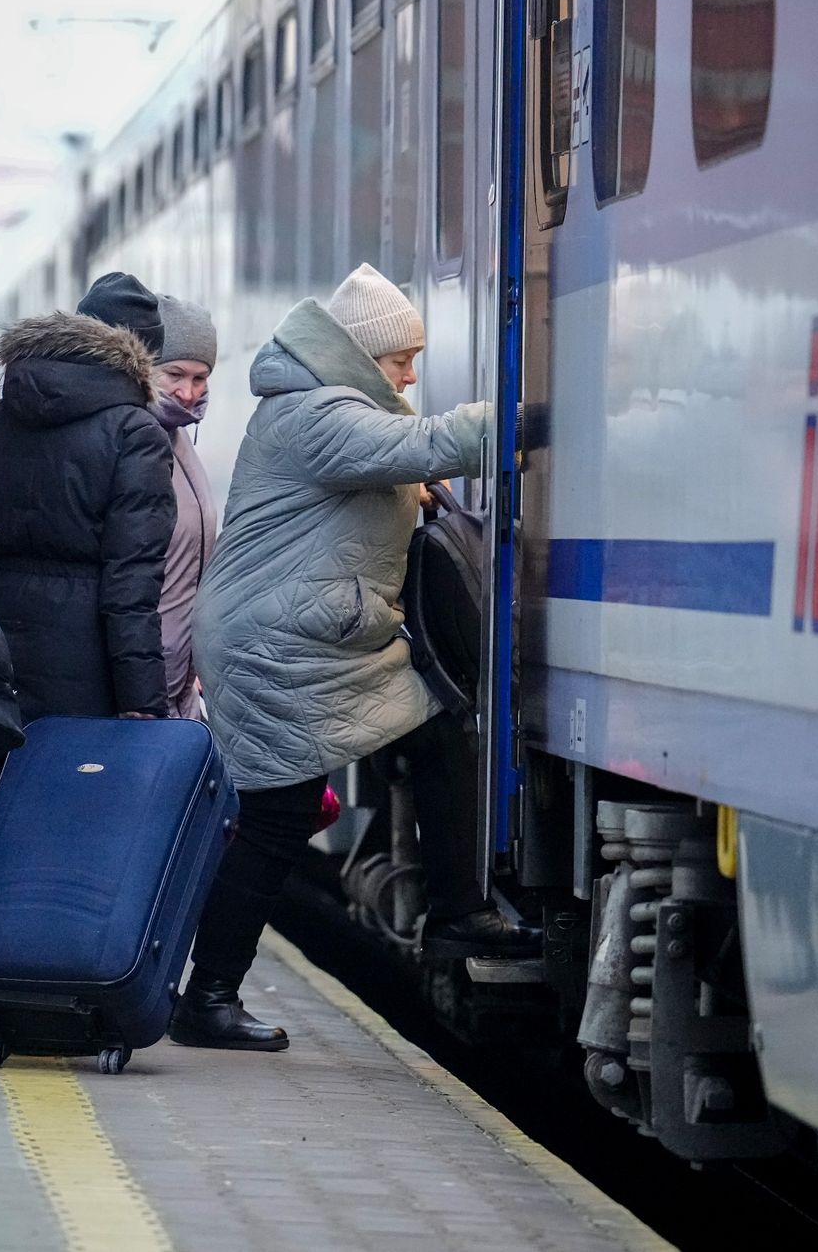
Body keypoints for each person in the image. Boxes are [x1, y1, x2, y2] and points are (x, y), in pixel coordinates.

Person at [173, 264, 534, 1054]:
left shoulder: (318, 407)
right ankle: (207, 996)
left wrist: (415, 496)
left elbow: (373, 478)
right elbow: (420, 441)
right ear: (364, 357)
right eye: (402, 359)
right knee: (279, 819)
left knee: (428, 738)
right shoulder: (315, 412)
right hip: (278, 646)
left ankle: (450, 912)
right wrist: (523, 416)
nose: (411, 373)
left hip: (296, 637)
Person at [0, 272, 175, 729]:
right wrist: (142, 697)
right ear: (143, 356)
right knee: (74, 794)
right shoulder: (136, 433)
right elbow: (131, 582)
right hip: (83, 666)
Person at [150, 295, 219, 721]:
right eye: (174, 373)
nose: (188, 392)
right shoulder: (140, 439)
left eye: (201, 378)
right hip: (146, 684)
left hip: (180, 682)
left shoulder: (178, 437)